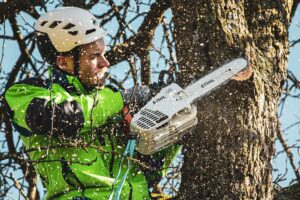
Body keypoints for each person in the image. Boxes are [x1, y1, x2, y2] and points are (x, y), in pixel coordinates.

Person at [4, 7, 178, 200]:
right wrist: (123, 98)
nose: (105, 63)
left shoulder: (106, 103)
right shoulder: (27, 93)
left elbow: (147, 171)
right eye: (94, 56)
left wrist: (169, 128)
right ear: (63, 62)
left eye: (102, 54)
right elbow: (61, 117)